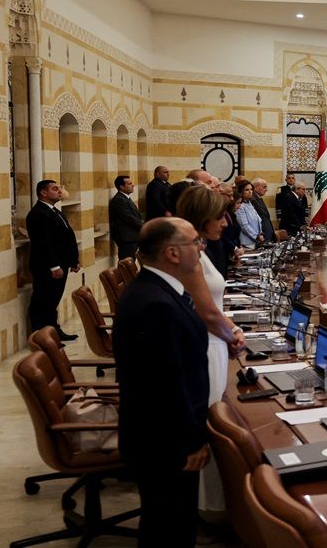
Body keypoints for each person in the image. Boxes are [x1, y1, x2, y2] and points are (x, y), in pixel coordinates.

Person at [113, 217, 210, 546]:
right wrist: (192, 441)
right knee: (169, 528)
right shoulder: (155, 304)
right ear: (172, 253)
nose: (201, 248)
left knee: (170, 523)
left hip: (162, 438)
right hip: (165, 443)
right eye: (195, 242)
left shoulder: (159, 290)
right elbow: (166, 386)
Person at [175, 185, 245, 517]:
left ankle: (215, 505)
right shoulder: (190, 257)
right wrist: (234, 334)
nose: (226, 222)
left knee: (215, 421)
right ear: (203, 218)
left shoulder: (198, 250)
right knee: (212, 425)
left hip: (215, 343)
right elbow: (206, 312)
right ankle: (210, 510)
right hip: (207, 344)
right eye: (221, 216)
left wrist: (231, 330)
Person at [26, 180, 80, 339]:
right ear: (43, 193)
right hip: (47, 267)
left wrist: (73, 260)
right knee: (43, 301)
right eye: (55, 189)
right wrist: (54, 266)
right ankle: (41, 336)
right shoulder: (38, 214)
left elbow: (66, 237)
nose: (59, 191)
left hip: (61, 263)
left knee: (52, 300)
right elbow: (43, 243)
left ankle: (54, 331)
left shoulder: (54, 211)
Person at [109, 175, 143, 260]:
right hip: (126, 238)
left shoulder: (125, 198)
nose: (133, 185)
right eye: (130, 184)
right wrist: (145, 226)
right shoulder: (119, 199)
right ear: (121, 187)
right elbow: (129, 218)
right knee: (126, 264)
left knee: (130, 263)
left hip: (132, 237)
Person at [217, 182, 243, 274]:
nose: (232, 199)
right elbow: (223, 235)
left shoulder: (229, 213)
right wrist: (234, 248)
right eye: (229, 196)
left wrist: (238, 246)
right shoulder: (218, 211)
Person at [234, 180, 263, 247]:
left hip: (255, 241)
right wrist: (256, 236)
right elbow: (244, 226)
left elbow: (257, 221)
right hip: (246, 242)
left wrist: (260, 233)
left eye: (251, 189)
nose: (250, 192)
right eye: (247, 190)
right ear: (241, 191)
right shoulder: (240, 206)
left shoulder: (249, 203)